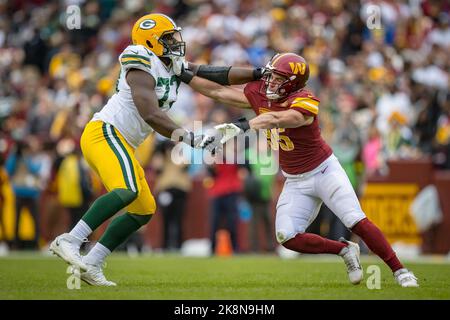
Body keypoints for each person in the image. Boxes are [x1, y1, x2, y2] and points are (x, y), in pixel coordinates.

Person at [177, 53, 419, 287]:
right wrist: (183, 74)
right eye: (271, 75)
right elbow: (218, 91)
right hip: (295, 180)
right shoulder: (262, 94)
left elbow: (278, 119)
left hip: (324, 171)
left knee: (355, 220)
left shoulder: (304, 100)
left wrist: (240, 126)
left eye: (278, 78)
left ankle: (400, 270)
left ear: (292, 83)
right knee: (287, 236)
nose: (270, 82)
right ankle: (344, 249)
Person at [49, 13, 213, 286]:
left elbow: (216, 73)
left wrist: (256, 74)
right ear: (150, 40)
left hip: (123, 141)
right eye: (168, 37)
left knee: (144, 208)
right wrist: (189, 138)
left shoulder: (171, 65)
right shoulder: (139, 56)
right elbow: (150, 114)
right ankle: (71, 238)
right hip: (105, 132)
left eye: (174, 36)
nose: (175, 42)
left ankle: (93, 261)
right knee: (127, 190)